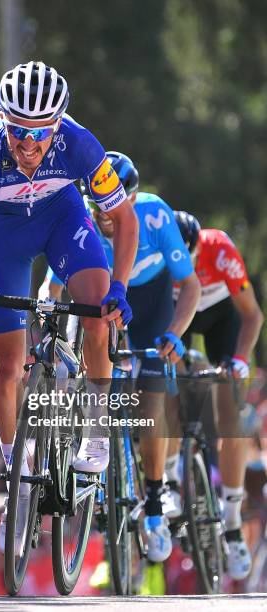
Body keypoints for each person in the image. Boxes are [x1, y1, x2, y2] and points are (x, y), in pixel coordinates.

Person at [0, 61, 139, 553]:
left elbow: (124, 219)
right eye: (18, 133)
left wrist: (120, 287)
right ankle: (17, 474)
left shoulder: (81, 145)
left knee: (96, 313)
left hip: (59, 219)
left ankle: (94, 427)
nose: (29, 146)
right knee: (7, 364)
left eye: (40, 135)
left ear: (59, 126)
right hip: (1, 236)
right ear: (2, 122)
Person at [42, 152, 201, 562]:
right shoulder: (82, 222)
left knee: (150, 397)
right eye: (97, 207)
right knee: (89, 359)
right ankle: (90, 445)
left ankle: (152, 499)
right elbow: (52, 287)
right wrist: (49, 329)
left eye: (113, 206)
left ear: (130, 197)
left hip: (151, 303)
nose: (105, 216)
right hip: (106, 300)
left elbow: (190, 285)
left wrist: (174, 334)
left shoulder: (154, 215)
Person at [167, 212, 264, 580]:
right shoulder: (158, 255)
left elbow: (253, 315)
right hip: (180, 318)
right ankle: (170, 481)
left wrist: (239, 360)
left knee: (230, 417)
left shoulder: (220, 250)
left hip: (224, 318)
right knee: (164, 387)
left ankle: (233, 518)